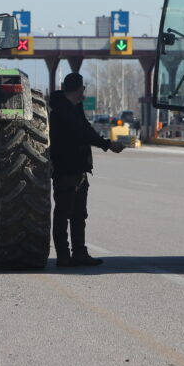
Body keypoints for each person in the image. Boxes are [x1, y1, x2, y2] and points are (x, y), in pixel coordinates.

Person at [48, 72, 125, 267]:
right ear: (79, 88)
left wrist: (106, 143)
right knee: (63, 214)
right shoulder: (61, 110)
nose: (84, 91)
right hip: (66, 169)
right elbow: (82, 133)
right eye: (83, 87)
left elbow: (87, 130)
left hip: (79, 168)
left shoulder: (75, 107)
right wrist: (108, 145)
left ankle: (79, 253)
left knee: (79, 214)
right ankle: (63, 255)